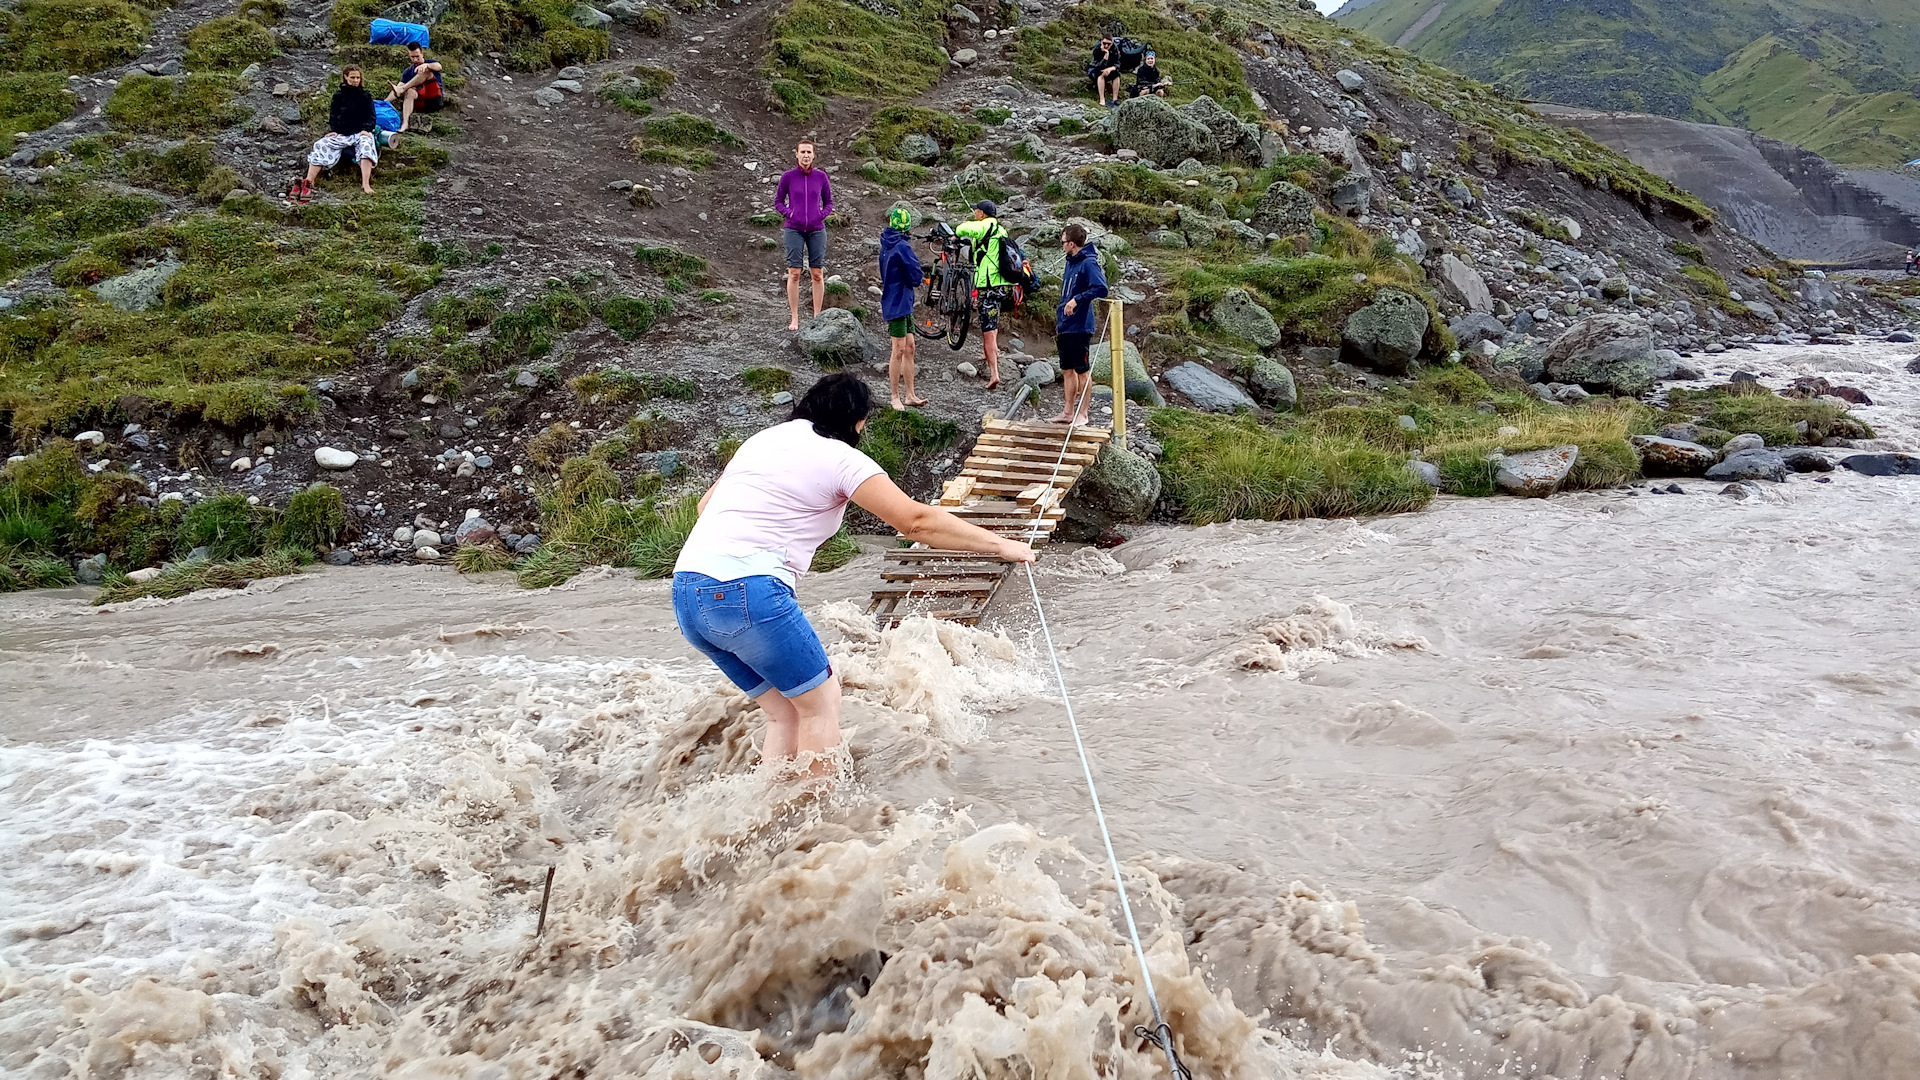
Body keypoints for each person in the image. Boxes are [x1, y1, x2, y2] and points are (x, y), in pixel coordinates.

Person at [673, 373, 1034, 776]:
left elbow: (707, 506)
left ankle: (775, 813)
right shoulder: (839, 457)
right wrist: (1002, 545)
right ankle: (815, 819)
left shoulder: (759, 441)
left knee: (786, 714)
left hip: (688, 592)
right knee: (821, 705)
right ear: (856, 421)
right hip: (749, 592)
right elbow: (915, 522)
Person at [1051, 223, 1109, 425]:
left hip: (1080, 325)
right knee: (1067, 369)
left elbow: (1101, 288)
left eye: (1063, 242)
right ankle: (1068, 412)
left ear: (1072, 243)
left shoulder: (1089, 263)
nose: (1062, 245)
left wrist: (1078, 299)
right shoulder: (1071, 262)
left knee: (1082, 370)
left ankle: (1083, 414)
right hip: (1065, 323)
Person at [292, 66, 377, 201]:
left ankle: (365, 184)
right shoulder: (338, 96)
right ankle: (309, 181)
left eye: (357, 78)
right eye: (352, 77)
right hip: (342, 133)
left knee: (366, 145)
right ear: (345, 77)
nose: (355, 80)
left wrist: (366, 129)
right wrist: (334, 131)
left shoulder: (365, 96)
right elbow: (333, 116)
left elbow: (371, 117)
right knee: (321, 144)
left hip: (360, 132)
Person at [955, 200, 1013, 391]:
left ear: (982, 213)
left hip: (989, 286)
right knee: (993, 321)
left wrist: (958, 231)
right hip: (1004, 286)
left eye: (976, 211)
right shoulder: (1001, 230)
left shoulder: (986, 225)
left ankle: (994, 373)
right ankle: (991, 352)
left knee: (987, 330)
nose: (975, 214)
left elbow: (963, 229)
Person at [776, 140, 833, 331]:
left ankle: (817, 317)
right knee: (794, 273)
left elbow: (829, 203)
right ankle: (794, 318)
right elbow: (778, 202)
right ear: (797, 154)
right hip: (794, 229)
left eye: (809, 151)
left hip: (817, 229)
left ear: (814, 154)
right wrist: (789, 213)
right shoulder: (788, 177)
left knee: (817, 274)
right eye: (803, 152)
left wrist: (820, 215)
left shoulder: (821, 177)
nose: (806, 155)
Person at [878, 206, 926, 410]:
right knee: (898, 348)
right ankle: (895, 396)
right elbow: (915, 276)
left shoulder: (886, 244)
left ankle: (910, 394)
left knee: (909, 346)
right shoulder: (903, 247)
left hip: (898, 300)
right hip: (899, 302)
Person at [387, 44, 443, 137]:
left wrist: (426, 65)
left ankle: (404, 89)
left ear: (422, 53)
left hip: (434, 99)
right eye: (412, 57)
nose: (415, 59)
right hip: (420, 101)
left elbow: (439, 66)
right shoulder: (408, 71)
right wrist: (384, 102)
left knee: (425, 71)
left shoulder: (431, 63)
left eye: (417, 56)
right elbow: (398, 88)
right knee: (409, 91)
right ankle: (405, 123)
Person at [1088, 34, 1123, 107]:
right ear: (1101, 42)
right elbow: (1097, 66)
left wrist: (1110, 69)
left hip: (1109, 69)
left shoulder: (1115, 49)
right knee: (1101, 75)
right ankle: (1102, 99)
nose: (1106, 46)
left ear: (1112, 43)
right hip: (1095, 70)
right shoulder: (1097, 49)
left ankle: (1115, 99)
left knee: (1116, 75)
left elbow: (1118, 64)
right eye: (1104, 43)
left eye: (1108, 44)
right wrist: (1106, 56)